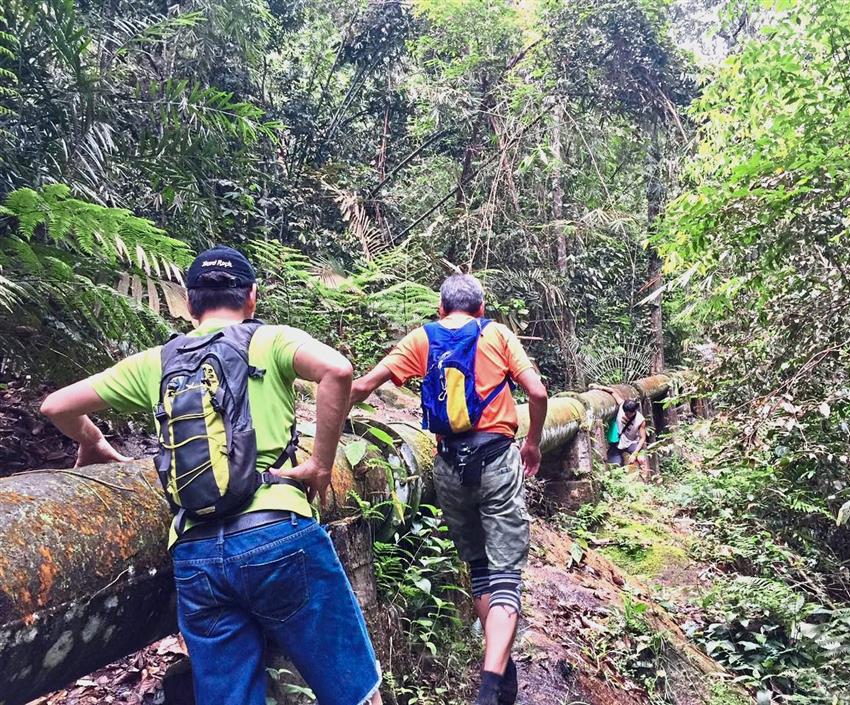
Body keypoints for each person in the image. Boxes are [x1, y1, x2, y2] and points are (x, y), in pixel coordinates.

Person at [40, 246, 382, 705]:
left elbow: (56, 406)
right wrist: (320, 464)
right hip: (278, 535)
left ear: (189, 302)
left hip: (195, 555)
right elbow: (338, 370)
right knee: (355, 693)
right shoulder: (271, 340)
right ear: (251, 298)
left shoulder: (157, 361)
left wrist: (94, 443)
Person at [350, 273, 548, 705]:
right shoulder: (497, 333)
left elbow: (364, 386)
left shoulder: (422, 338)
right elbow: (536, 390)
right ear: (481, 309)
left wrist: (330, 438)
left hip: (448, 467)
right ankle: (490, 684)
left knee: (479, 568)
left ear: (441, 310)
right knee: (506, 576)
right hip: (496, 459)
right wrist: (531, 443)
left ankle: (501, 664)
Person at [595, 386, 648, 468]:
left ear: (634, 412)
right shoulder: (622, 406)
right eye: (626, 413)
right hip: (617, 442)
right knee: (614, 465)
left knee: (642, 460)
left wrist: (635, 454)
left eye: (629, 414)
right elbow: (613, 392)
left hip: (631, 442)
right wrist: (598, 387)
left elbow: (642, 438)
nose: (627, 415)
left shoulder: (640, 420)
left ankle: (646, 478)